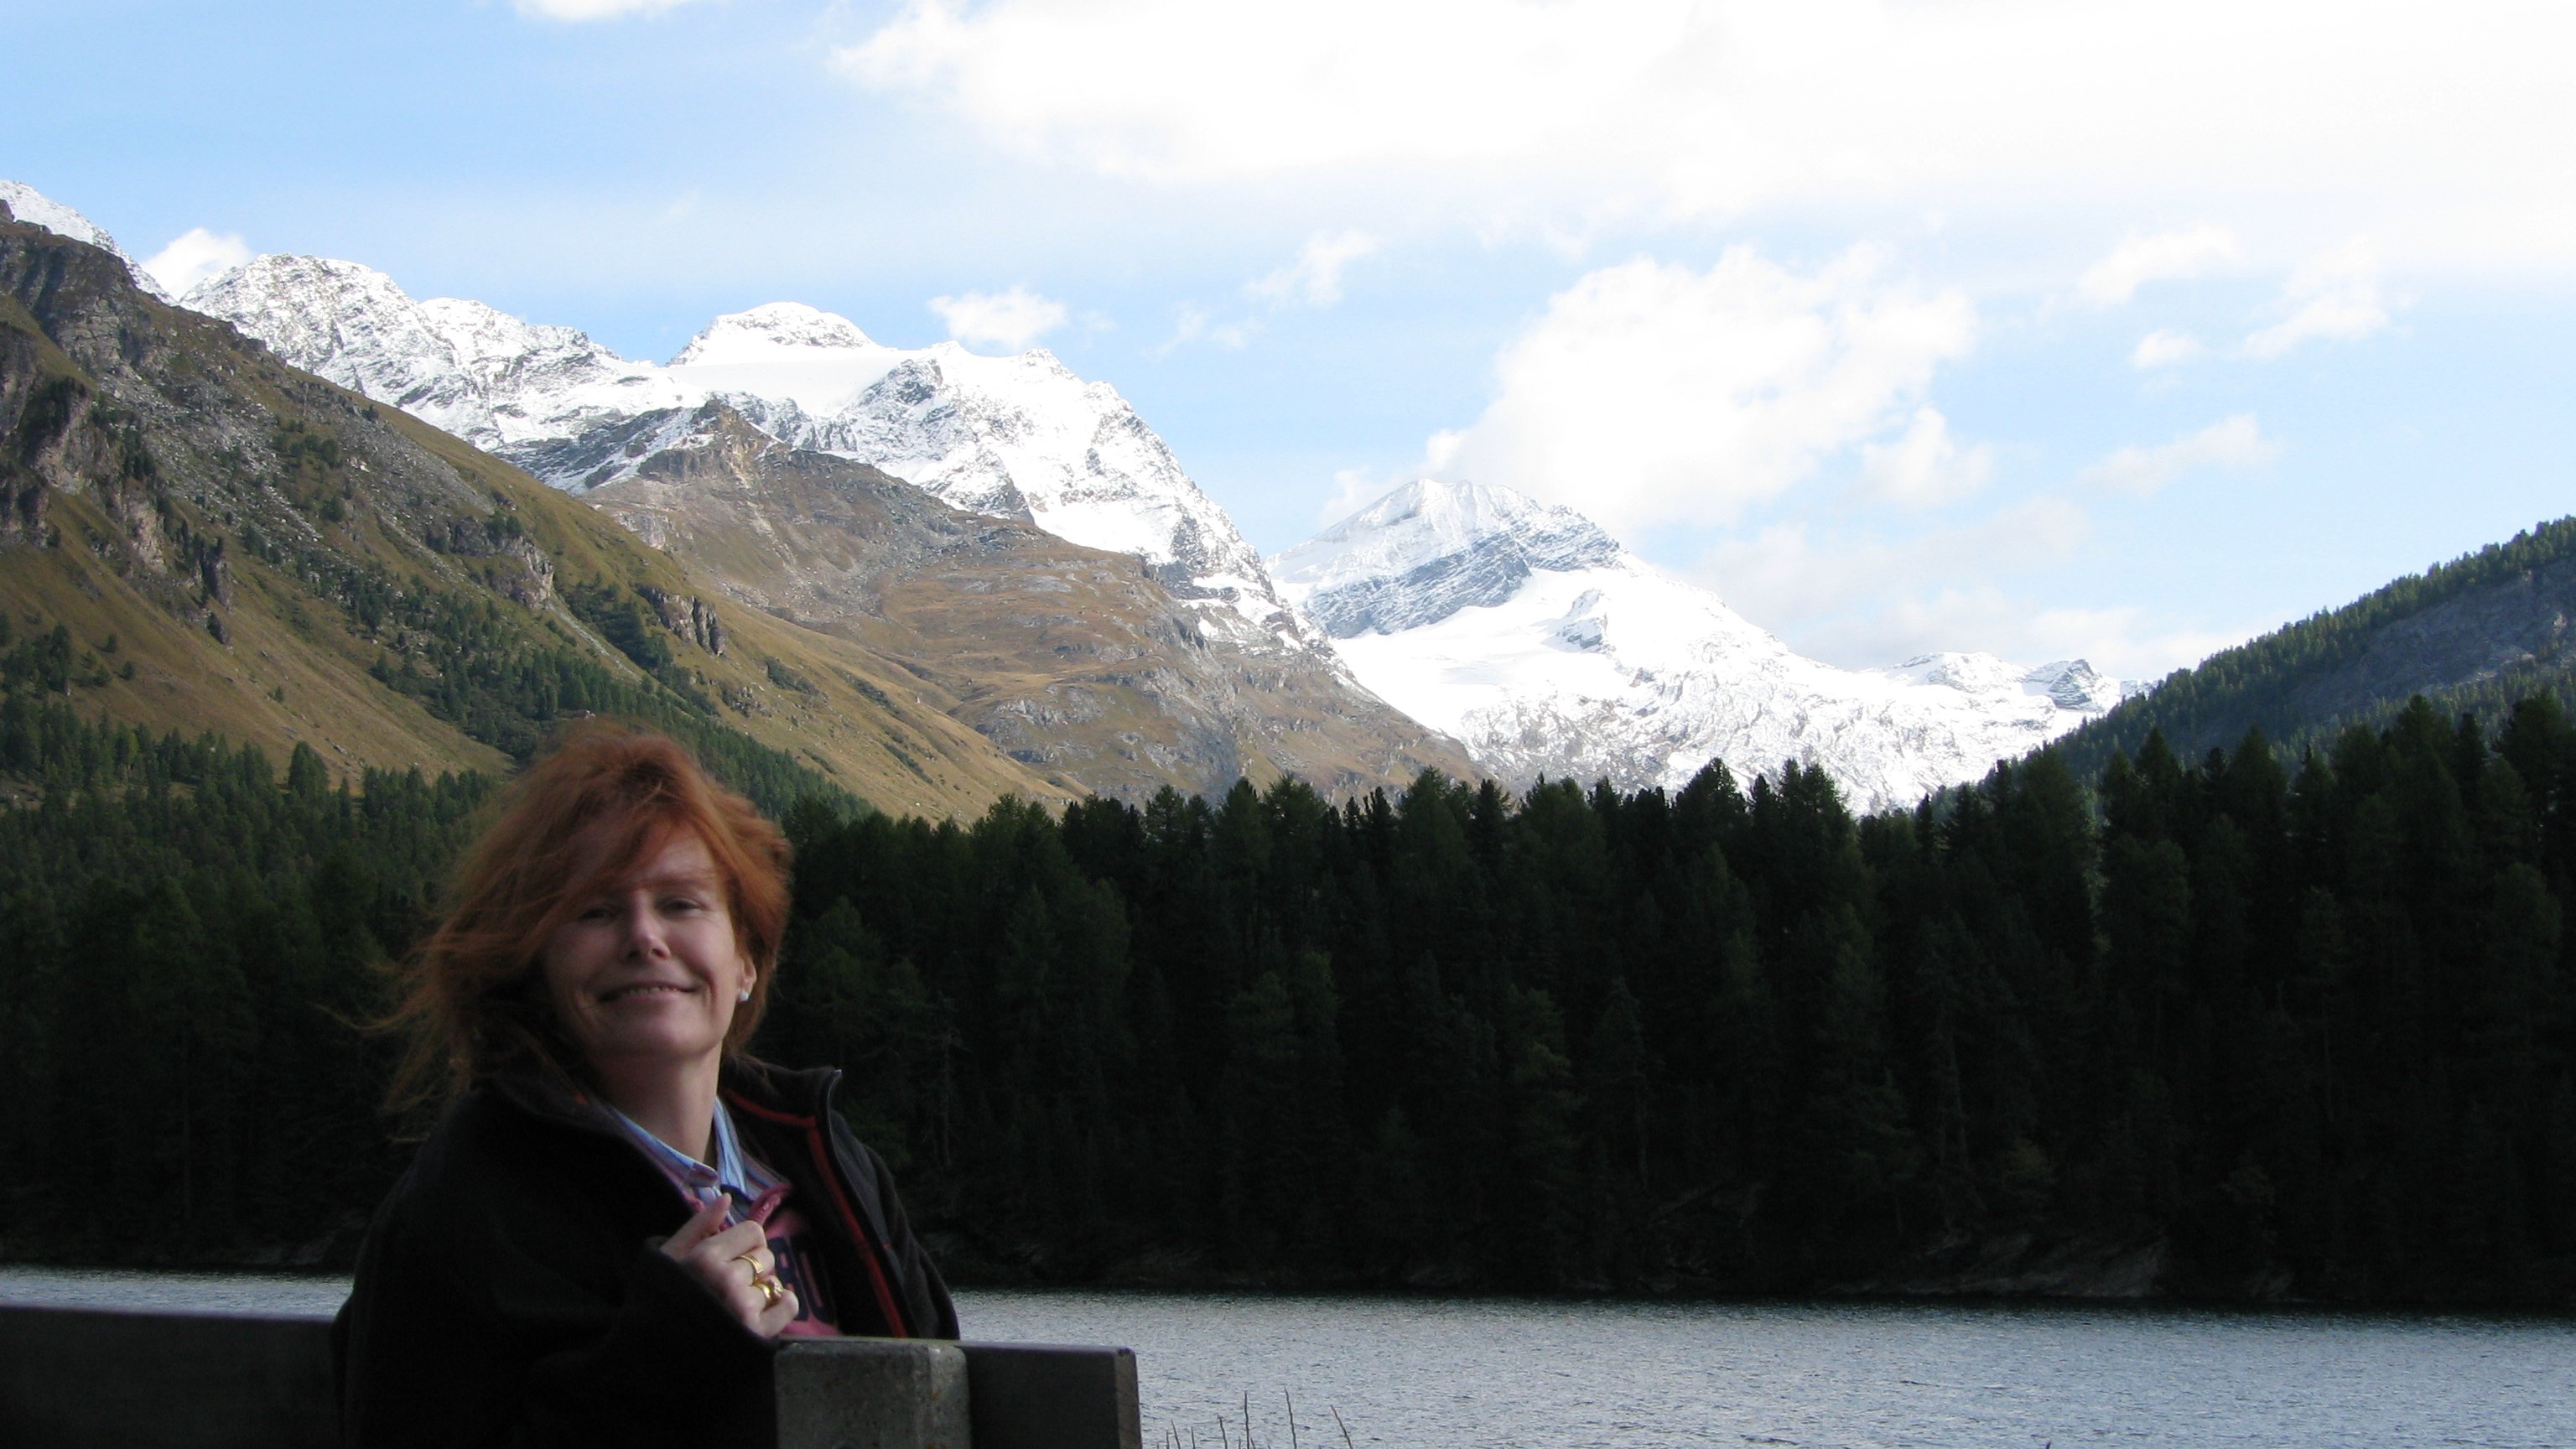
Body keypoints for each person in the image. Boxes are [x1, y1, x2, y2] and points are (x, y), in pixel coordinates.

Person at [335, 723, 957, 1449]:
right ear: (537, 965)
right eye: (595, 911)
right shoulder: (468, 1197)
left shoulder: (827, 1158)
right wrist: (673, 1351)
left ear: (747, 961)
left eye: (681, 903)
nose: (643, 937)